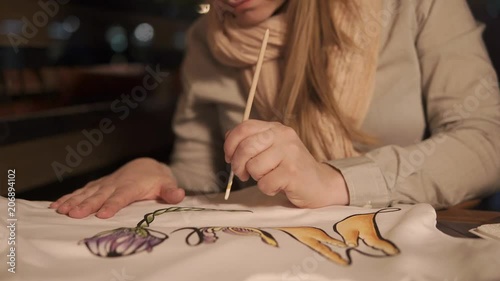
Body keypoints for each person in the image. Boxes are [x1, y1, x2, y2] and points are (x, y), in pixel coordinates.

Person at [50, 0, 500, 219]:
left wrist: (336, 180)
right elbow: (209, 177)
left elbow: (487, 140)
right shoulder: (206, 40)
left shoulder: (416, 5)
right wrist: (161, 175)